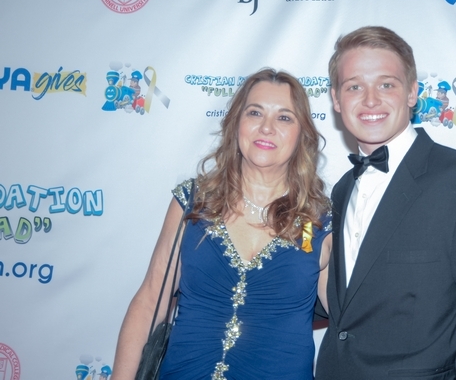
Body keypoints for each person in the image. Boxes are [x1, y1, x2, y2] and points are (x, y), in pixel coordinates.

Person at [315, 26, 456, 379]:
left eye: (386, 84)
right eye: (354, 86)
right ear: (336, 100)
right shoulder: (342, 190)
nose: (370, 100)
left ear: (412, 92)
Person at [112, 68, 332, 380]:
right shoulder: (193, 202)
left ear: (302, 134)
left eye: (284, 117)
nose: (266, 127)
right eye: (255, 112)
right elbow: (149, 301)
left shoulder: (321, 222)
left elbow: (352, 324)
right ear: (235, 123)